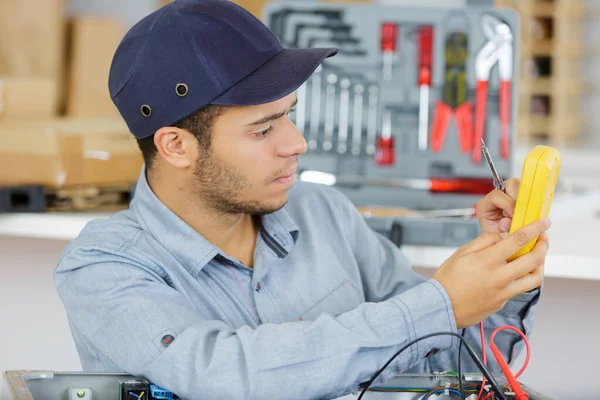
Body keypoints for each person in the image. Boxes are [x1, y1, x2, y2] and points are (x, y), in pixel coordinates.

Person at [53, 1, 550, 399]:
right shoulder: (102, 267)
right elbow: (223, 376)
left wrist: (502, 275)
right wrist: (437, 304)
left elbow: (450, 366)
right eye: (263, 128)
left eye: (290, 114)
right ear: (176, 146)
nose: (296, 143)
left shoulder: (323, 213)